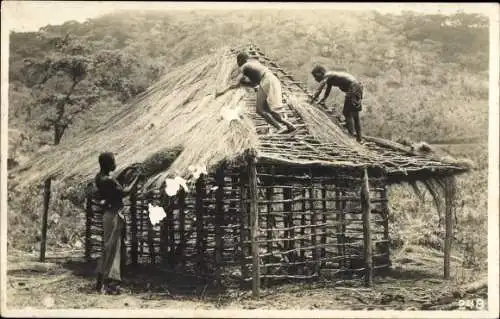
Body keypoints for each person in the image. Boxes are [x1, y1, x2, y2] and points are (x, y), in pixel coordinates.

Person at [215, 52, 296, 134]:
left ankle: (279, 127)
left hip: (266, 81)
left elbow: (238, 81)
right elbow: (253, 84)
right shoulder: (254, 65)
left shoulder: (244, 66)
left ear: (240, 60)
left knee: (259, 110)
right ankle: (289, 125)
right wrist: (243, 84)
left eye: (238, 61)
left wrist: (222, 92)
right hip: (272, 80)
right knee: (268, 110)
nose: (237, 63)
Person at [94, 152, 140, 294]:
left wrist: (127, 170)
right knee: (110, 250)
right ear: (107, 164)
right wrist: (137, 179)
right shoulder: (108, 181)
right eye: (113, 162)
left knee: (111, 249)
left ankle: (106, 282)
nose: (115, 164)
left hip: (110, 215)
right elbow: (125, 192)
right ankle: (104, 284)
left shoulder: (99, 177)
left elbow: (116, 183)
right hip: (113, 216)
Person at [310, 65, 364, 142]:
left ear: (320, 73)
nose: (315, 79)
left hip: (353, 88)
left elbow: (320, 88)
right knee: (355, 115)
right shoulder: (330, 77)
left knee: (347, 113)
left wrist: (312, 99)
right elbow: (327, 90)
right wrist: (323, 99)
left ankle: (351, 136)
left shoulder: (327, 75)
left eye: (315, 76)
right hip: (357, 87)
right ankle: (359, 138)